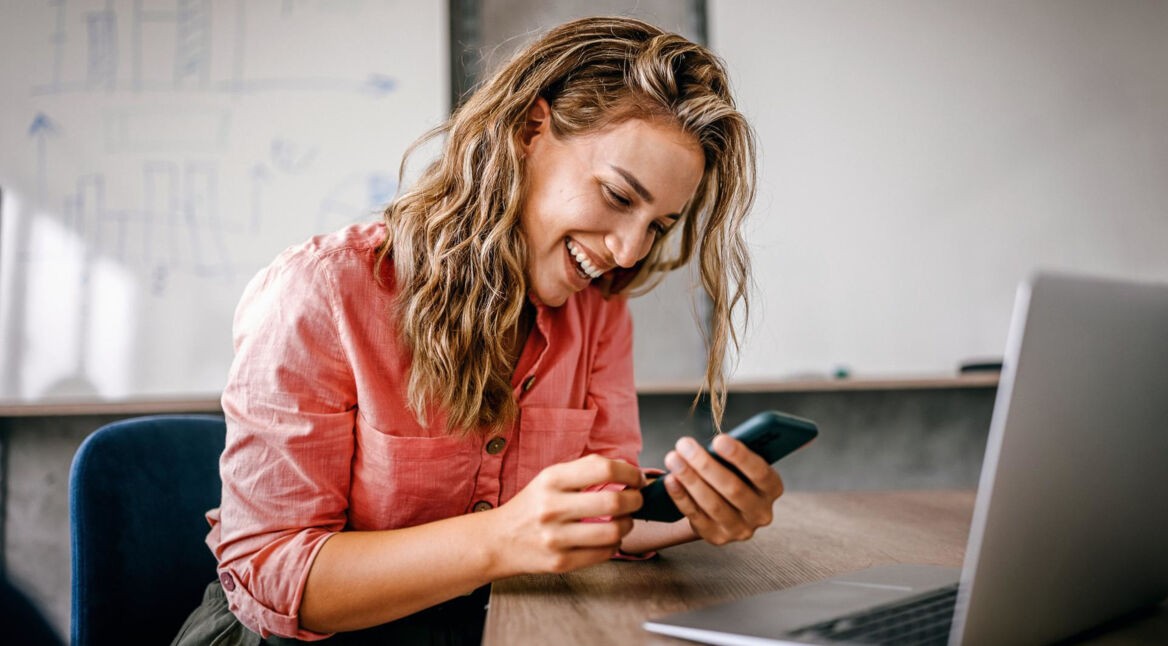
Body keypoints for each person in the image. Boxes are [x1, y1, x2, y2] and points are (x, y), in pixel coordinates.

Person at [173, 15, 781, 645]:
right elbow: (269, 574)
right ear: (529, 129)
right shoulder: (321, 292)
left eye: (658, 225)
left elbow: (588, 515)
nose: (629, 252)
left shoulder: (597, 313)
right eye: (619, 197)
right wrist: (500, 539)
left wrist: (691, 512)